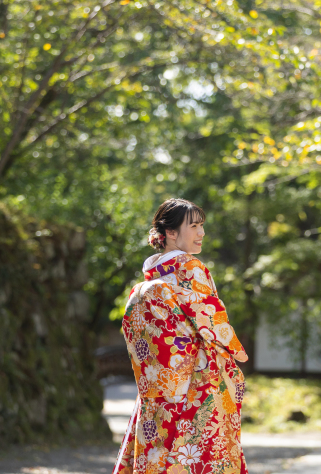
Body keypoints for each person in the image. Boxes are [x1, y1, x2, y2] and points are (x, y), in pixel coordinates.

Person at [113, 198, 249, 474]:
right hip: (196, 383)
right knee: (201, 454)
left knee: (160, 447)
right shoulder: (190, 268)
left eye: (202, 226)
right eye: (195, 226)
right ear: (171, 233)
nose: (201, 233)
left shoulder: (149, 279)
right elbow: (212, 318)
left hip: (159, 387)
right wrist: (236, 351)